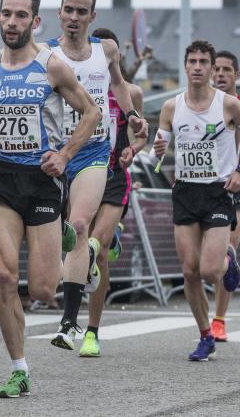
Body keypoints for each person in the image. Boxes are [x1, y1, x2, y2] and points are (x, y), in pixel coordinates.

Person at [0, 0, 99, 398]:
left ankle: (70, 238)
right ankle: (19, 368)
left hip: (42, 181)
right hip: (1, 178)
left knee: (43, 290)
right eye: (6, 14)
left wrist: (66, 155)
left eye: (21, 16)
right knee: (2, 274)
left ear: (34, 21)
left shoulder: (51, 66)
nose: (12, 22)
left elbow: (91, 112)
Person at [42, 0, 147, 351]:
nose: (73, 17)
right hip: (55, 154)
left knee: (81, 226)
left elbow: (119, 86)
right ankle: (81, 263)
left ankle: (71, 323)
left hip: (94, 152)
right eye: (68, 10)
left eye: (81, 11)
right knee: (61, 243)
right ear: (59, 12)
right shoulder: (45, 53)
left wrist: (133, 116)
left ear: (92, 16)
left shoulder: (107, 50)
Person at [150, 39, 240, 361]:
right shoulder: (172, 107)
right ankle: (205, 336)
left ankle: (227, 258)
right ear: (185, 66)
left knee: (209, 270)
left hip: (218, 192)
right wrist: (157, 151)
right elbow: (157, 152)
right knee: (189, 272)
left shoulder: (228, 104)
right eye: (193, 61)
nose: (198, 67)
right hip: (186, 192)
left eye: (204, 62)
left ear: (212, 69)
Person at [79, 28, 148, 358]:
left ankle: (92, 330)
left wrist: (132, 150)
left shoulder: (130, 91)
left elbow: (141, 135)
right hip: (79, 174)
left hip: (114, 176)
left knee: (99, 249)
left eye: (115, 56)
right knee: (79, 243)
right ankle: (109, 238)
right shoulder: (78, 84)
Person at [209, 50, 240, 342]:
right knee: (208, 259)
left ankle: (219, 320)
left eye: (226, 70)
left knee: (226, 249)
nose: (220, 74)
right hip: (208, 187)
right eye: (217, 69)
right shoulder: (205, 103)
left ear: (236, 74)